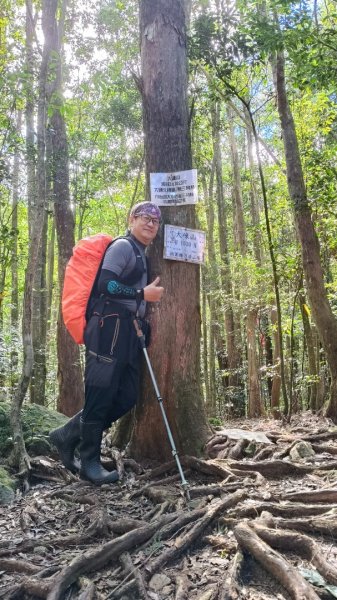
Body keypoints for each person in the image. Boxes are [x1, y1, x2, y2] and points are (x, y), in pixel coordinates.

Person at [50, 201, 164, 485]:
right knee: (100, 395)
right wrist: (141, 294)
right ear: (132, 219)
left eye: (155, 220)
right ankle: (89, 462)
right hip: (108, 329)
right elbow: (106, 285)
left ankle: (67, 434)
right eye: (145, 217)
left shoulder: (140, 252)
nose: (151, 223)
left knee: (126, 396)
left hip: (127, 333)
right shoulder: (123, 247)